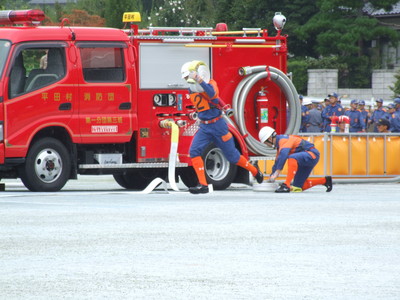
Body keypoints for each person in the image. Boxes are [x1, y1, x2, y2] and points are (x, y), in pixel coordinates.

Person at [181, 61, 263, 194]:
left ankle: (254, 171)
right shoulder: (192, 88)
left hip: (218, 126)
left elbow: (213, 96)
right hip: (204, 127)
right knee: (194, 151)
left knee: (233, 157)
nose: (186, 80)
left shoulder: (211, 84)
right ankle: (203, 184)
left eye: (187, 77)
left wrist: (200, 81)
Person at [258, 126, 333, 193]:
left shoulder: (283, 140)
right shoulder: (280, 146)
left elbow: (284, 155)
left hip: (312, 154)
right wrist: (271, 176)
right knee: (298, 186)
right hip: (305, 159)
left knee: (292, 157)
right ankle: (325, 181)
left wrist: (277, 173)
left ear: (270, 139)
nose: (267, 145)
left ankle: (286, 185)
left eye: (266, 143)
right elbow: (277, 162)